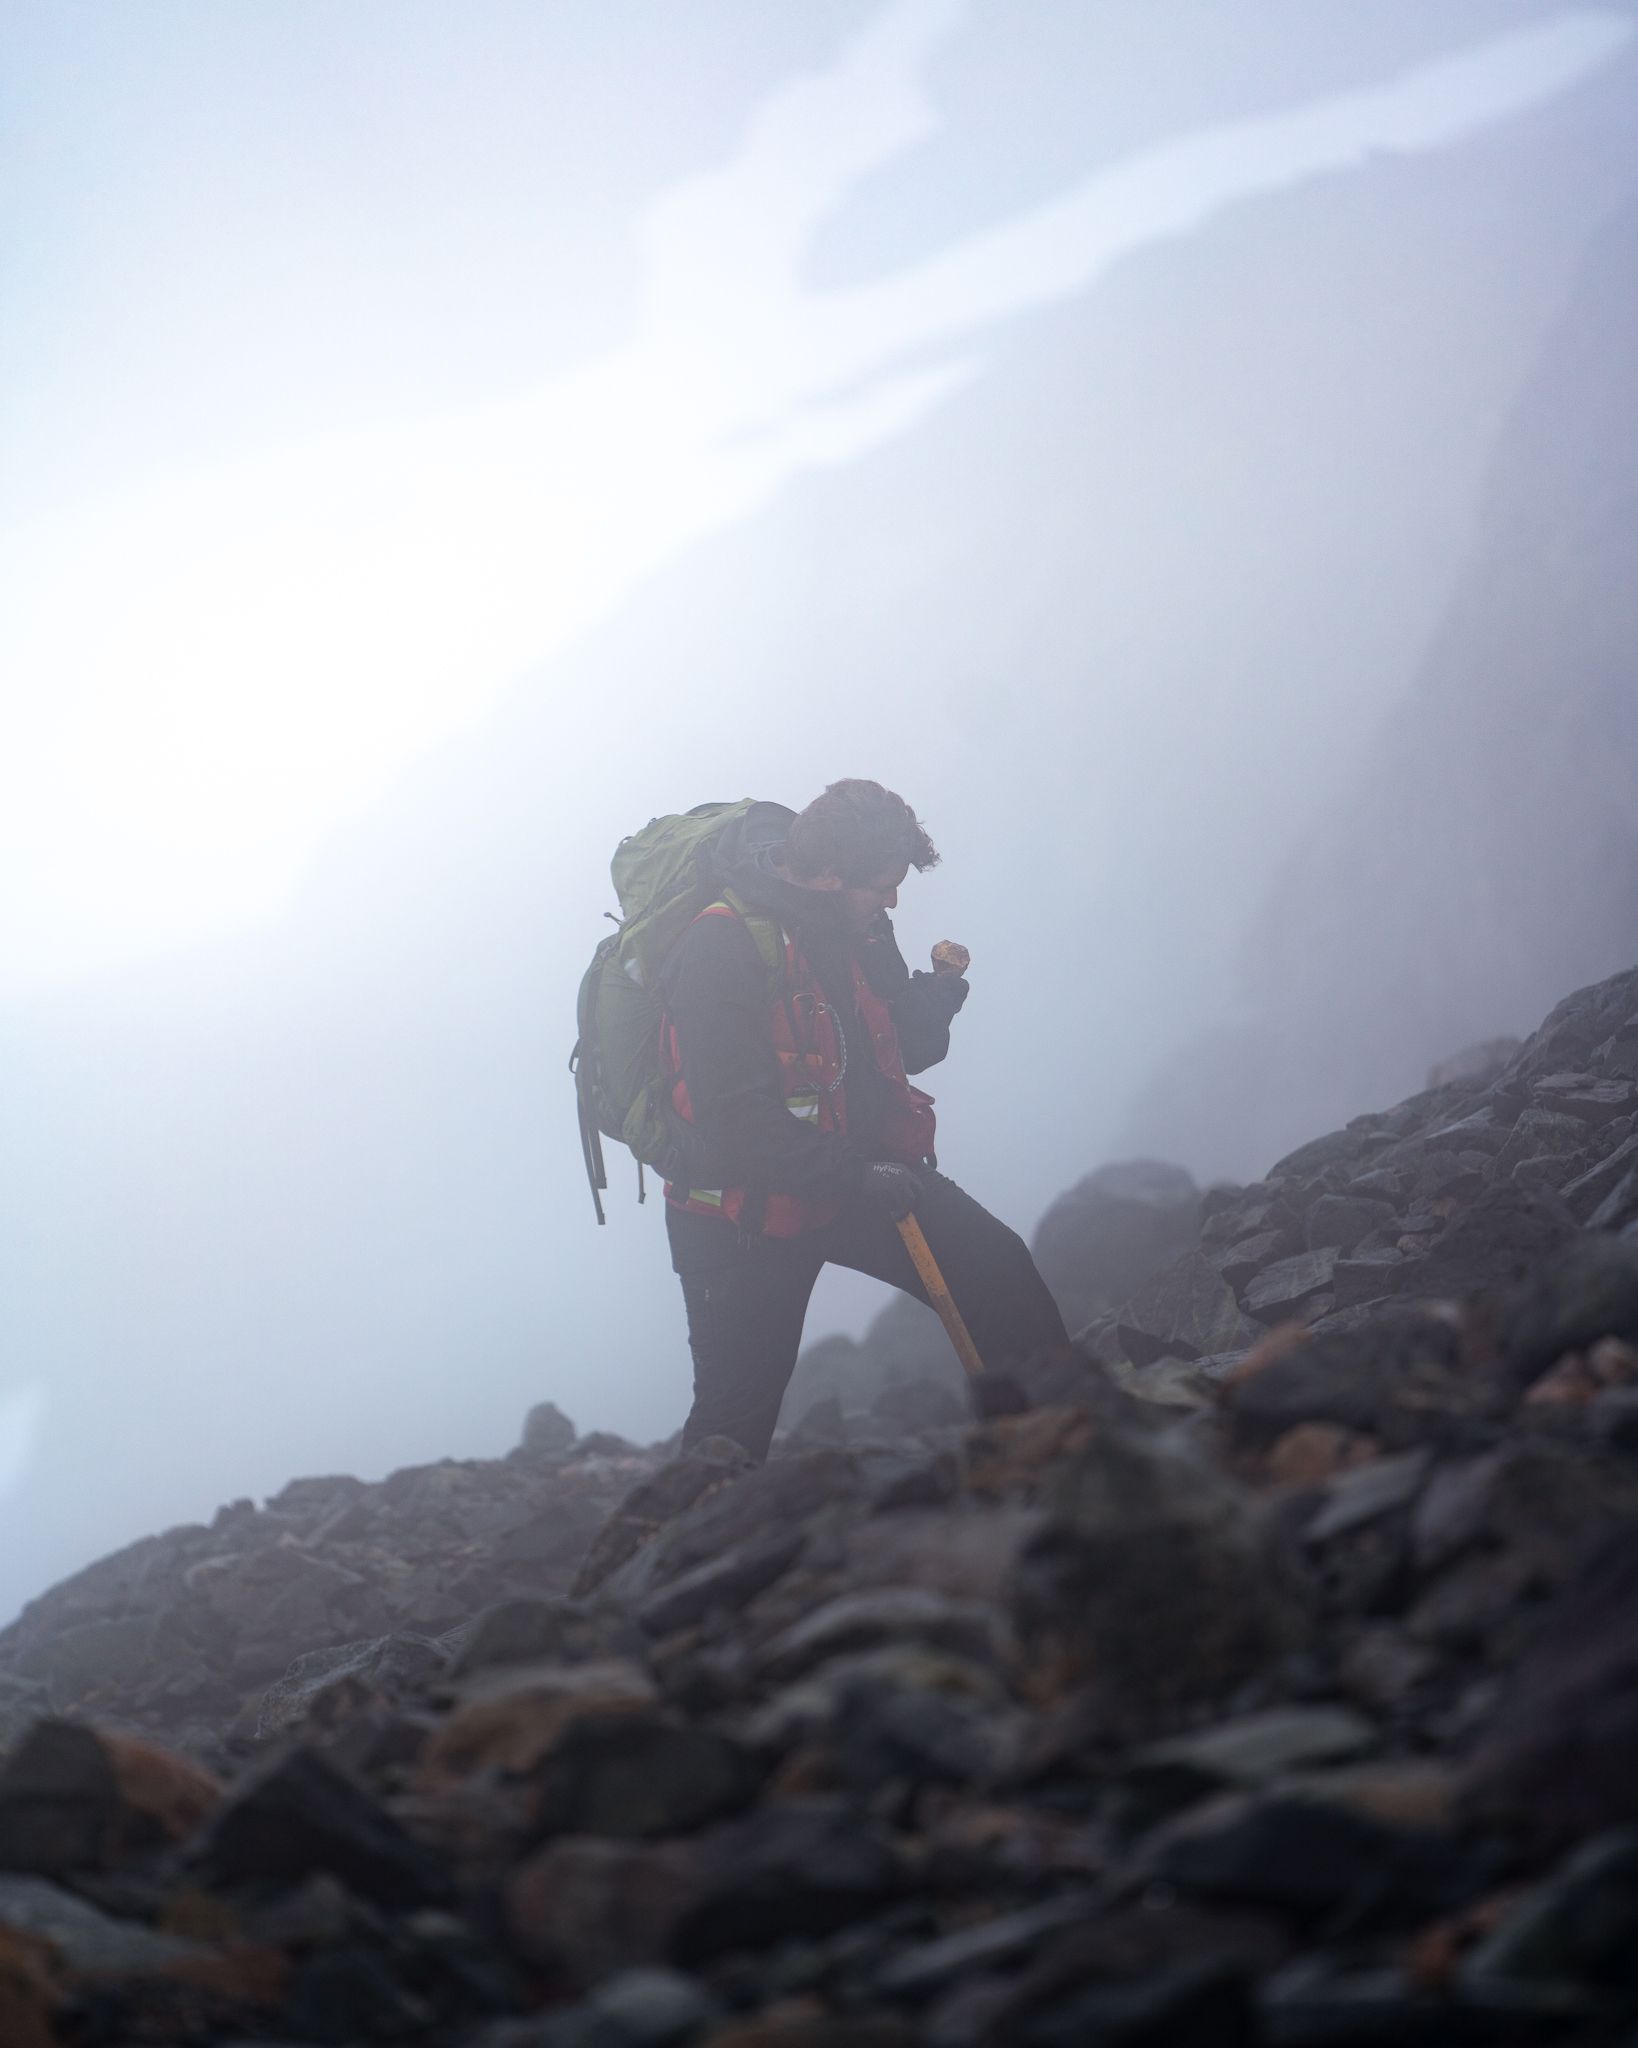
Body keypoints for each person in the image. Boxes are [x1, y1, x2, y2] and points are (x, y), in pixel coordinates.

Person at [659, 779, 1070, 1455]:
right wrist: (857, 1173)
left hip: (855, 1179)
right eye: (882, 885)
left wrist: (937, 998)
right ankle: (676, 1549)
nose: (893, 901)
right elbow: (732, 1122)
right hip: (739, 1219)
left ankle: (1065, 1460)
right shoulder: (719, 948)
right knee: (734, 1424)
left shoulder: (858, 923)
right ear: (825, 875)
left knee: (998, 1275)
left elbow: (905, 1046)